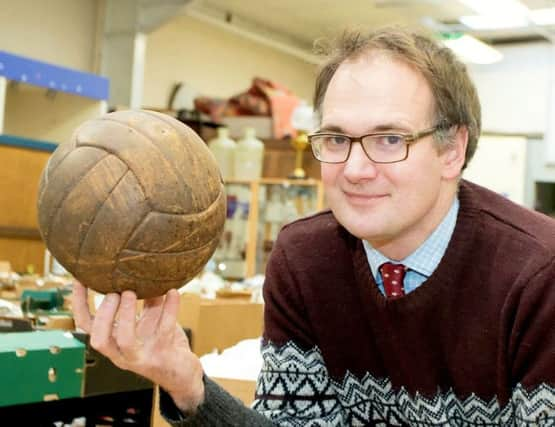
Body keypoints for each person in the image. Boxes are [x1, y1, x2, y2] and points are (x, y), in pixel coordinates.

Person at [72, 26, 555, 426]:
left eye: (389, 139)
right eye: (338, 138)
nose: (356, 168)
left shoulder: (538, 276)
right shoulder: (305, 260)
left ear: (452, 150)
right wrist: (184, 379)